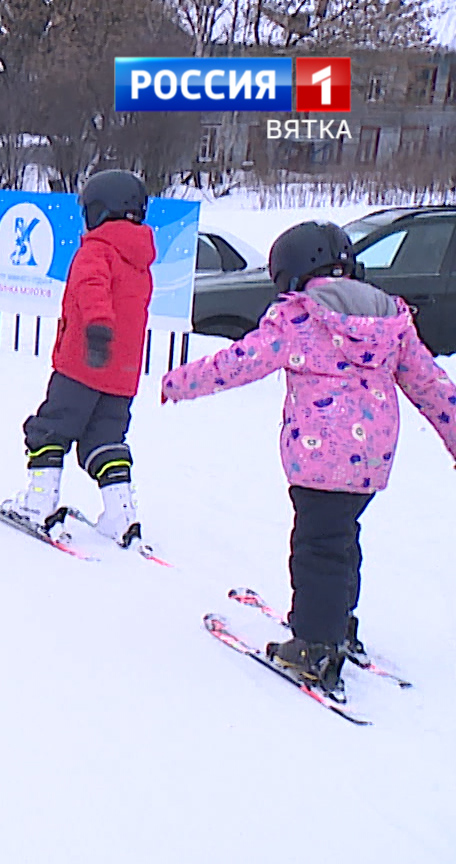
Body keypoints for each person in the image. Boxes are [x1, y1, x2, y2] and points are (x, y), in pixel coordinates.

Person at [161, 221, 456, 694]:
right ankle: (338, 624)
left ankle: (316, 646)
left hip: (319, 460)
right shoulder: (390, 319)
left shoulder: (299, 317)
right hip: (370, 461)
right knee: (340, 540)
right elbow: (430, 385)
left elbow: (240, 362)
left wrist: (180, 383)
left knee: (317, 547)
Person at [3, 169, 155, 544]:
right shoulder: (140, 261)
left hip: (83, 362)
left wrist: (98, 325)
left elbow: (92, 288)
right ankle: (121, 516)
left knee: (52, 428)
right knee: (106, 438)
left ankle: (39, 503)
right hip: (123, 374)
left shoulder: (97, 250)